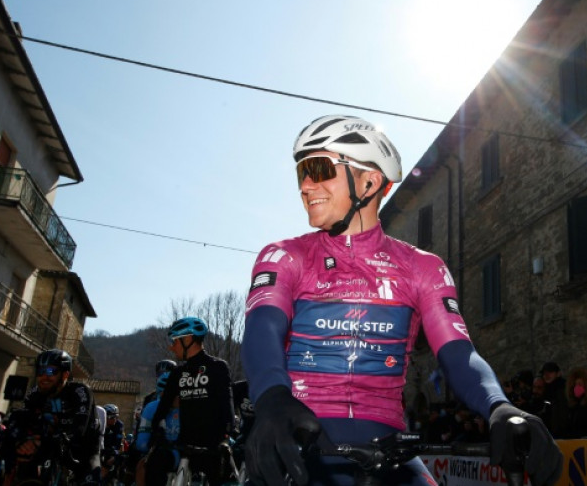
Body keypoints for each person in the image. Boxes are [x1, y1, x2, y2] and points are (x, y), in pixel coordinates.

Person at [241, 115, 563, 486]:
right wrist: (272, 397)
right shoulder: (285, 255)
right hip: (297, 439)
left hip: (390, 452)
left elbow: (458, 352)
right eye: (302, 173)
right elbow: (263, 327)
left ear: (370, 180)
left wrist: (499, 406)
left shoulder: (422, 267)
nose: (306, 186)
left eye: (319, 169)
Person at [151, 317, 237, 486]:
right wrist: (159, 431)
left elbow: (227, 408)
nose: (171, 346)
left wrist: (224, 439)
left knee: (228, 479)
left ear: (188, 339)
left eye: (175, 341)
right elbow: (161, 410)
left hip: (213, 447)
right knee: (153, 464)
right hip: (183, 448)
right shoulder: (177, 373)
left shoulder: (217, 367)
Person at [2, 349, 102, 486]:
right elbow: (20, 420)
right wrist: (23, 441)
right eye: (40, 372)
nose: (44, 377)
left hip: (83, 449)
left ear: (65, 374)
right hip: (48, 443)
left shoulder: (80, 391)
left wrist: (47, 440)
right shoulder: (35, 394)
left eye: (50, 371)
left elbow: (79, 429)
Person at [137, 373, 181, 486]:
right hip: (164, 453)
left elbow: (141, 444)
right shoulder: (151, 407)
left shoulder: (151, 407)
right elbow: (142, 444)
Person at [101, 404, 125, 483]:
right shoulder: (99, 424)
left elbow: (118, 445)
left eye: (116, 417)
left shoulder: (119, 425)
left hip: (111, 451)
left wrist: (113, 457)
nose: (115, 419)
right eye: (112, 417)